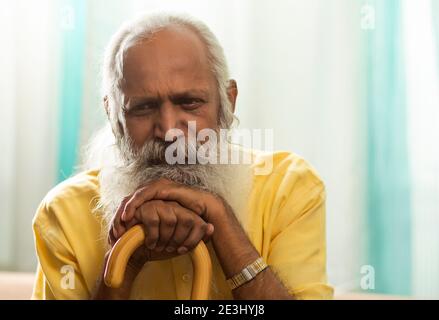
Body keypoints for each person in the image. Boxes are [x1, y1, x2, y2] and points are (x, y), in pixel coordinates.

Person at [32, 12, 333, 300]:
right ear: (113, 115)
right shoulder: (63, 213)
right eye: (143, 107)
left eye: (189, 103)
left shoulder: (290, 187)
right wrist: (126, 260)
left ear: (228, 102)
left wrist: (223, 223)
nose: (168, 131)